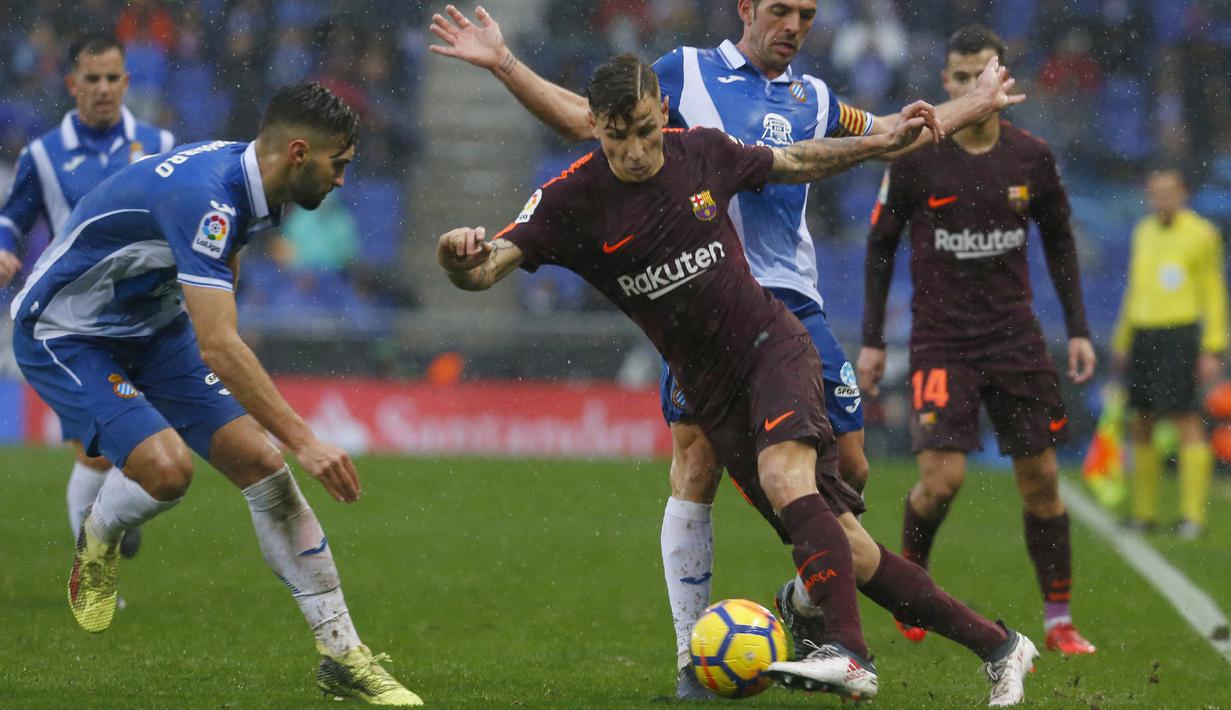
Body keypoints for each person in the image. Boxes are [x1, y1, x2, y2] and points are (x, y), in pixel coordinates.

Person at [428, 2, 1023, 695]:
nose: (636, 150)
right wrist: (453, 258)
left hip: (773, 341)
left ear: (663, 117)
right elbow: (484, 268)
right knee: (847, 546)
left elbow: (806, 157)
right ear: (597, 129)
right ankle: (1000, 645)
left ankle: (848, 654)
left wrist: (911, 133)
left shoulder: (703, 149)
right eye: (618, 137)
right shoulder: (570, 198)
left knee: (794, 479)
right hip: (708, 386)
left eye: (647, 131)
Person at [9, 82, 420, 707]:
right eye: (339, 163)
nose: (342, 181)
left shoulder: (255, 183)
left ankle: (342, 654)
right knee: (169, 471)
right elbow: (221, 347)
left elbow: (218, 287)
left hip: (153, 324)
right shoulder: (208, 196)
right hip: (67, 331)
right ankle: (98, 533)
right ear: (300, 152)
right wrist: (307, 440)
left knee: (262, 464)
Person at [858, 24, 1098, 655]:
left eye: (980, 76)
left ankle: (1059, 619)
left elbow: (1061, 241)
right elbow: (880, 246)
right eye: (959, 78)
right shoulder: (916, 157)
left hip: (1016, 340)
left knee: (1042, 480)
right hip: (941, 342)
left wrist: (1077, 330)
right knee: (941, 481)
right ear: (946, 82)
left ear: (1002, 80)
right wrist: (873, 340)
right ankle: (911, 589)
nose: (970, 87)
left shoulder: (1031, 157)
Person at [0, 34, 176, 560]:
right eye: (91, 79)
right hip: (76, 328)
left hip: (149, 323)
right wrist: (3, 247)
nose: (103, 89)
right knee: (96, 454)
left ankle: (118, 505)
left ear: (127, 81)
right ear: (72, 84)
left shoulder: (161, 145)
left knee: (156, 456)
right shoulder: (44, 155)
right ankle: (93, 566)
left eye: (112, 78)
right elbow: (14, 218)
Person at [1113, 168, 1227, 540]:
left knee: (1185, 419)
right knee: (1141, 419)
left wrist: (1213, 345)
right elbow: (1135, 288)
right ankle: (1144, 513)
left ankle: (1192, 516)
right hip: (1144, 332)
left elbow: (1213, 289)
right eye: (1155, 192)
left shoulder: (1202, 234)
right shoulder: (1143, 230)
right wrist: (1122, 339)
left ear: (1183, 194)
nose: (1161, 199)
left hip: (1179, 333)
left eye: (1168, 192)